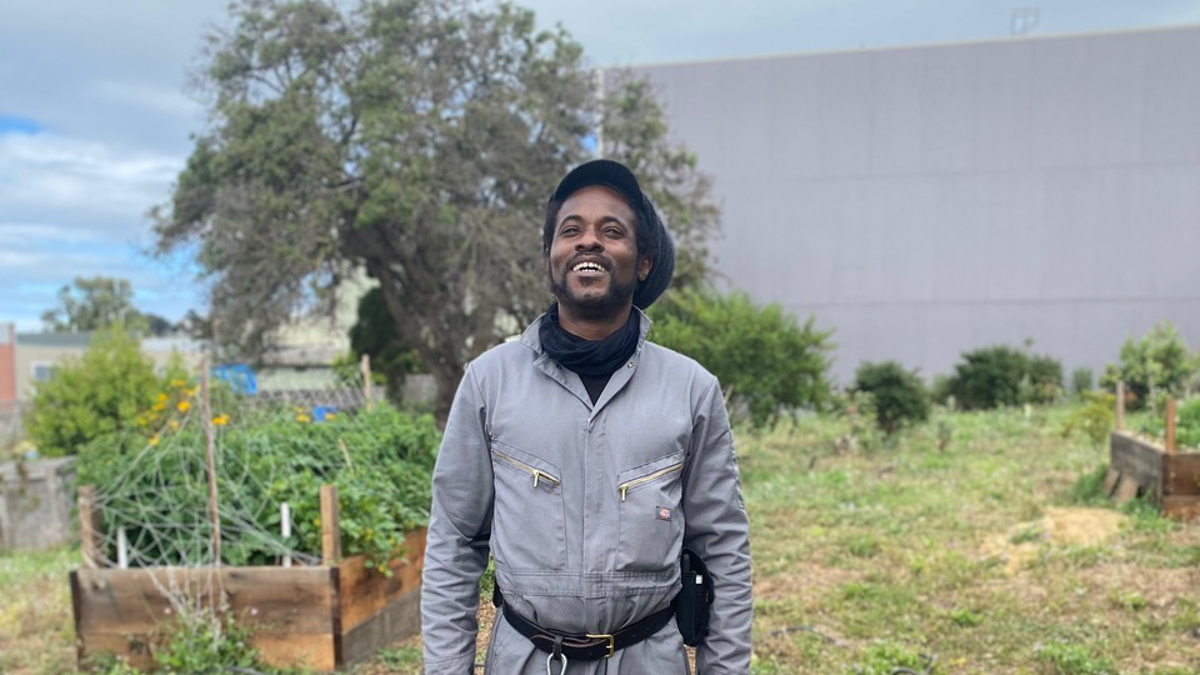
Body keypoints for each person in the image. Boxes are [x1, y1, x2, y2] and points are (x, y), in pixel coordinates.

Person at [421, 159, 752, 674]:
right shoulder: (489, 382)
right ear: (551, 257)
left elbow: (723, 548)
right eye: (570, 230)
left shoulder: (691, 390)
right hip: (525, 661)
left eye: (612, 231)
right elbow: (454, 542)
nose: (588, 241)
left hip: (650, 660)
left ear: (643, 262)